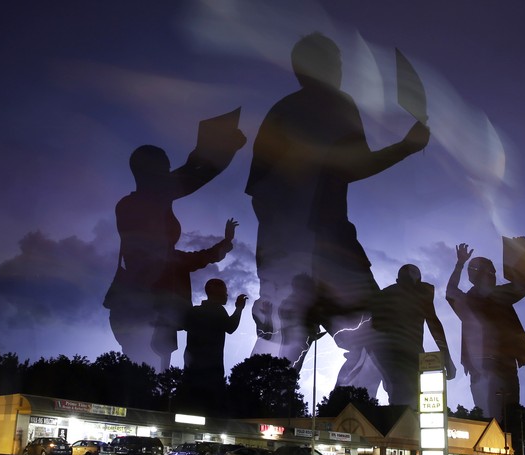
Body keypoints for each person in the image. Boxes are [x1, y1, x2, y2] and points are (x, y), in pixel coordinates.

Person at [245, 32, 431, 396]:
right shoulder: (336, 105)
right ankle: (354, 416)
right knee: (374, 340)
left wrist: (278, 245)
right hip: (330, 250)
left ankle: (252, 419)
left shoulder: (279, 112)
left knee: (280, 344)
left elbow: (258, 193)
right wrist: (406, 147)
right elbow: (354, 165)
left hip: (286, 252)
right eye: (334, 61)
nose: (340, 68)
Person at [104, 130, 245, 373]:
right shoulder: (137, 206)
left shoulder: (144, 203)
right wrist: (220, 151)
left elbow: (189, 174)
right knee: (149, 378)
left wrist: (212, 152)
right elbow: (189, 178)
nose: (169, 175)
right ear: (150, 173)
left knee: (156, 379)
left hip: (152, 313)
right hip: (146, 311)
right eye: (164, 170)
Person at [446, 241, 525, 455]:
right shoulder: (472, 300)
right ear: (476, 276)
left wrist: (522, 255)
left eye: (495, 271)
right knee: (491, 416)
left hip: (504, 364)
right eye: (490, 272)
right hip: (484, 366)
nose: (494, 275)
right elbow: (449, 292)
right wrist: (459, 264)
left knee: (508, 414)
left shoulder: (497, 295)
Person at [370, 264, 454, 407]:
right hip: (398, 355)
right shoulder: (419, 293)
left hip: (396, 355)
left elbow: (433, 323)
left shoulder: (388, 294)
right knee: (406, 400)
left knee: (406, 399)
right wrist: (446, 357)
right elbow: (433, 323)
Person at [177, 279, 248, 415]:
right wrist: (239, 308)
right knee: (212, 412)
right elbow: (231, 327)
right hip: (212, 372)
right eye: (224, 291)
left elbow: (180, 325)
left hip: (191, 370)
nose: (227, 295)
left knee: (190, 408)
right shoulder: (217, 311)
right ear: (214, 290)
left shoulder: (195, 312)